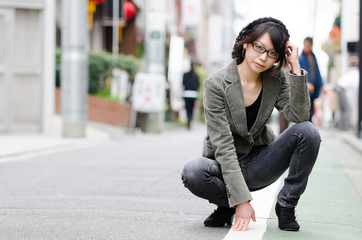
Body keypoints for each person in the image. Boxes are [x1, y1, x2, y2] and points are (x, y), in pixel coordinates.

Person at [181, 17, 321, 232]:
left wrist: (294, 67)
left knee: (308, 132)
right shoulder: (216, 85)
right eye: (259, 47)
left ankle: (286, 205)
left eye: (272, 53)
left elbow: (300, 116)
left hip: (260, 163)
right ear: (245, 43)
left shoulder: (277, 79)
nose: (263, 57)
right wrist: (241, 202)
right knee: (193, 170)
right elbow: (223, 145)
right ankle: (226, 206)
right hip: (222, 167)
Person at [299, 37, 324, 122]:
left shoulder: (313, 57)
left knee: (311, 110)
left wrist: (321, 85)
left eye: (309, 45)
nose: (307, 47)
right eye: (306, 45)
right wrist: (306, 83)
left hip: (314, 88)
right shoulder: (301, 58)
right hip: (306, 88)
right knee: (305, 110)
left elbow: (317, 72)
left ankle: (309, 127)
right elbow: (299, 73)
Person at [182, 60, 200, 129]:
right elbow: (197, 85)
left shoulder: (185, 75)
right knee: (191, 109)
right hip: (193, 94)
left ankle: (188, 120)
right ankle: (189, 121)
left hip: (186, 93)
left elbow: (183, 83)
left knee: (187, 108)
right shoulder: (196, 76)